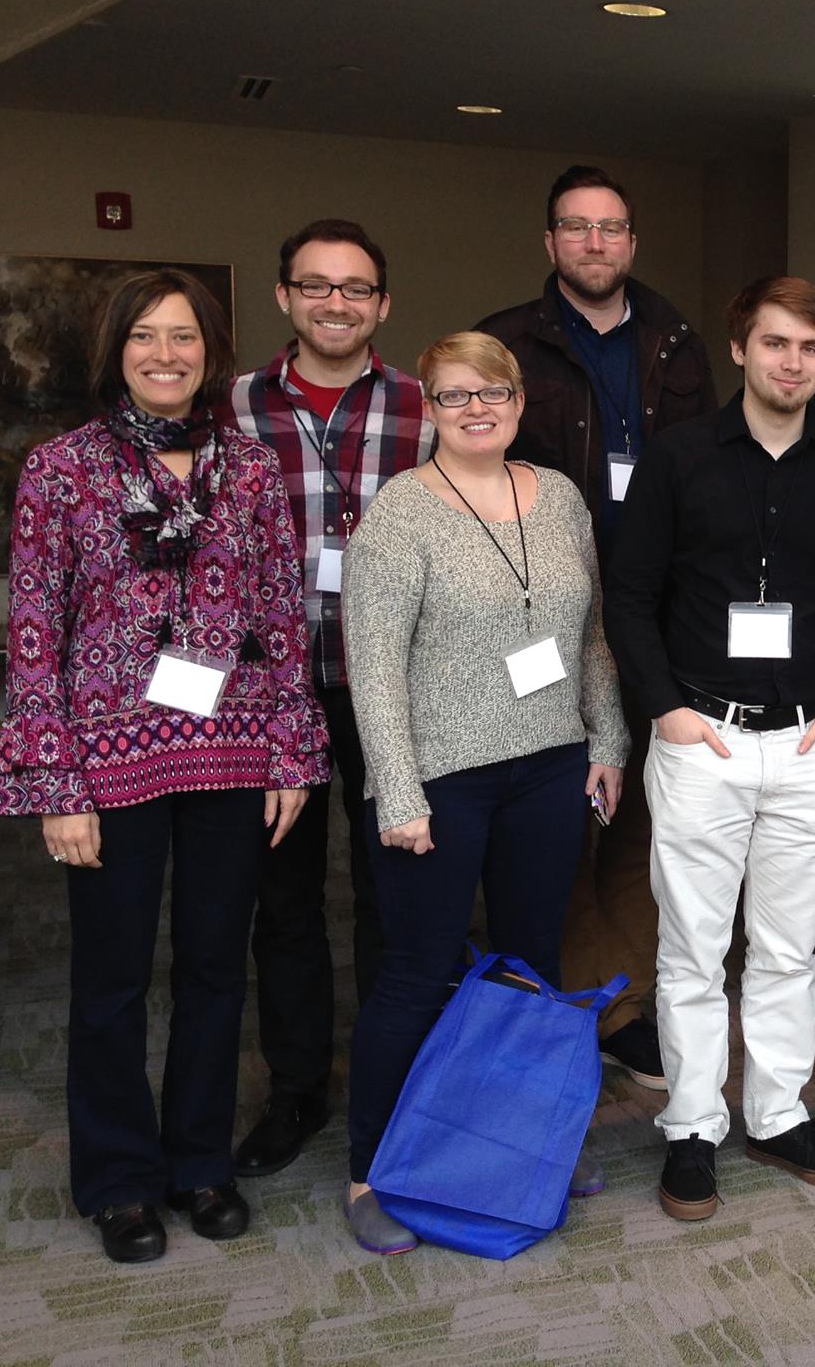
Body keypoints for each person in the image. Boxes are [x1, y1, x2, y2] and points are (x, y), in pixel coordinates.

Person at [0, 269, 327, 1263]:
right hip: (106, 767)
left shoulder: (250, 470)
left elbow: (281, 615)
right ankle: (119, 1181)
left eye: (183, 336)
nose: (166, 355)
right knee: (111, 978)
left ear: (210, 352)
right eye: (145, 336)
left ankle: (197, 1163)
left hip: (233, 752)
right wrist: (55, 781)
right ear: (117, 351)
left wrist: (293, 751)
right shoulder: (61, 469)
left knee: (216, 969)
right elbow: (32, 635)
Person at [604, 276, 815, 1223]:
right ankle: (692, 1126)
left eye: (809, 348)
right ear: (739, 350)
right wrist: (665, 712)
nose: (792, 363)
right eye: (775, 344)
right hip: (704, 741)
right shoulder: (680, 459)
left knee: (788, 950)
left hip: (811, 743)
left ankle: (776, 1116)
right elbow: (631, 595)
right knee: (692, 952)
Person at [339, 331, 628, 1256]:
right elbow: (373, 668)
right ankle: (370, 1171)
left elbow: (590, 632)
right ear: (429, 405)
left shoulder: (561, 498)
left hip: (549, 767)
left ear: (518, 400)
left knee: (528, 970)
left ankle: (517, 1142)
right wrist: (397, 792)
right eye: (456, 395)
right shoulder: (400, 514)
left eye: (493, 392)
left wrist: (608, 738)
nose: (477, 409)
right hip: (441, 780)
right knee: (417, 975)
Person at [474, 164, 718, 1093]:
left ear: (633, 241)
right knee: (556, 812)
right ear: (550, 242)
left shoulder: (677, 340)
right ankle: (572, 997)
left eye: (611, 227)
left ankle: (628, 1000)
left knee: (643, 816)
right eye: (576, 227)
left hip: (657, 608)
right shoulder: (507, 343)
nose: (595, 243)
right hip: (546, 615)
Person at [227, 218, 433, 1178]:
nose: (335, 303)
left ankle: (398, 1080)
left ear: (382, 304)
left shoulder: (426, 406)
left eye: (355, 288)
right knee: (284, 900)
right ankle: (298, 1089)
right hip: (270, 691)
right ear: (285, 297)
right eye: (316, 285)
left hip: (394, 685)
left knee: (397, 890)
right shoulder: (231, 407)